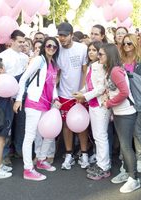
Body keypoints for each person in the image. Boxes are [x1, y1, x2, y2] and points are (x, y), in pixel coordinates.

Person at [13, 37, 61, 181]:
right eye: (49, 45)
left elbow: (52, 86)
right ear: (44, 46)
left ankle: (41, 160)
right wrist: (18, 99)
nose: (51, 48)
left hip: (47, 104)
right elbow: (23, 79)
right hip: (34, 103)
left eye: (54, 46)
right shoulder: (38, 60)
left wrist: (56, 98)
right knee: (30, 136)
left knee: (47, 134)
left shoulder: (53, 64)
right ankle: (28, 169)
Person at [101, 43, 140, 193]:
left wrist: (109, 103)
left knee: (126, 146)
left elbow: (124, 92)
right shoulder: (111, 70)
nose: (99, 57)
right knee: (125, 147)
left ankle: (133, 179)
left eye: (101, 54)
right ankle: (128, 173)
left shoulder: (115, 71)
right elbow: (115, 89)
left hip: (126, 113)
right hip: (119, 113)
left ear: (109, 55)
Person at [74, 41, 111, 180]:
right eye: (89, 50)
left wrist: (85, 96)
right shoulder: (91, 66)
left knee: (101, 137)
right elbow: (89, 86)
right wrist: (81, 92)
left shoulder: (103, 66)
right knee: (97, 136)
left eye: (94, 50)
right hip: (92, 105)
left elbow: (101, 88)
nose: (91, 52)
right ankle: (102, 164)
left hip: (101, 105)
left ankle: (104, 167)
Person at [57, 22, 89, 170]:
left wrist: (82, 91)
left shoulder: (82, 48)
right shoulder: (57, 50)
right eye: (60, 35)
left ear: (71, 35)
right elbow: (57, 74)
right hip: (64, 94)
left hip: (80, 94)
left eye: (64, 35)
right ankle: (69, 154)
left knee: (82, 125)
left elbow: (85, 71)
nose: (62, 38)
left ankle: (84, 155)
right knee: (67, 125)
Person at [0, 30, 29, 161]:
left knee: (21, 124)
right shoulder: (3, 55)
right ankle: (4, 155)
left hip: (21, 96)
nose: (22, 44)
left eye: (23, 42)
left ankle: (19, 149)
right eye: (19, 42)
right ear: (12, 41)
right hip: (6, 96)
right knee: (6, 126)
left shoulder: (25, 57)